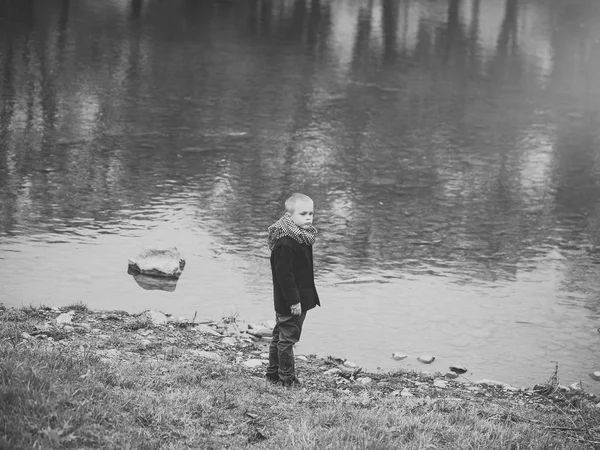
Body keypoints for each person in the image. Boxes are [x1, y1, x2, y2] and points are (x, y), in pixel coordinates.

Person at [265, 193, 320, 386]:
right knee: (287, 338)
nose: (308, 217)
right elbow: (285, 277)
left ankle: (272, 374)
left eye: (311, 213)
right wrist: (294, 301)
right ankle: (286, 379)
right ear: (289, 217)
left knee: (280, 335)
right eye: (303, 213)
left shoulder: (300, 237)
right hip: (291, 301)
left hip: (297, 298)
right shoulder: (286, 242)